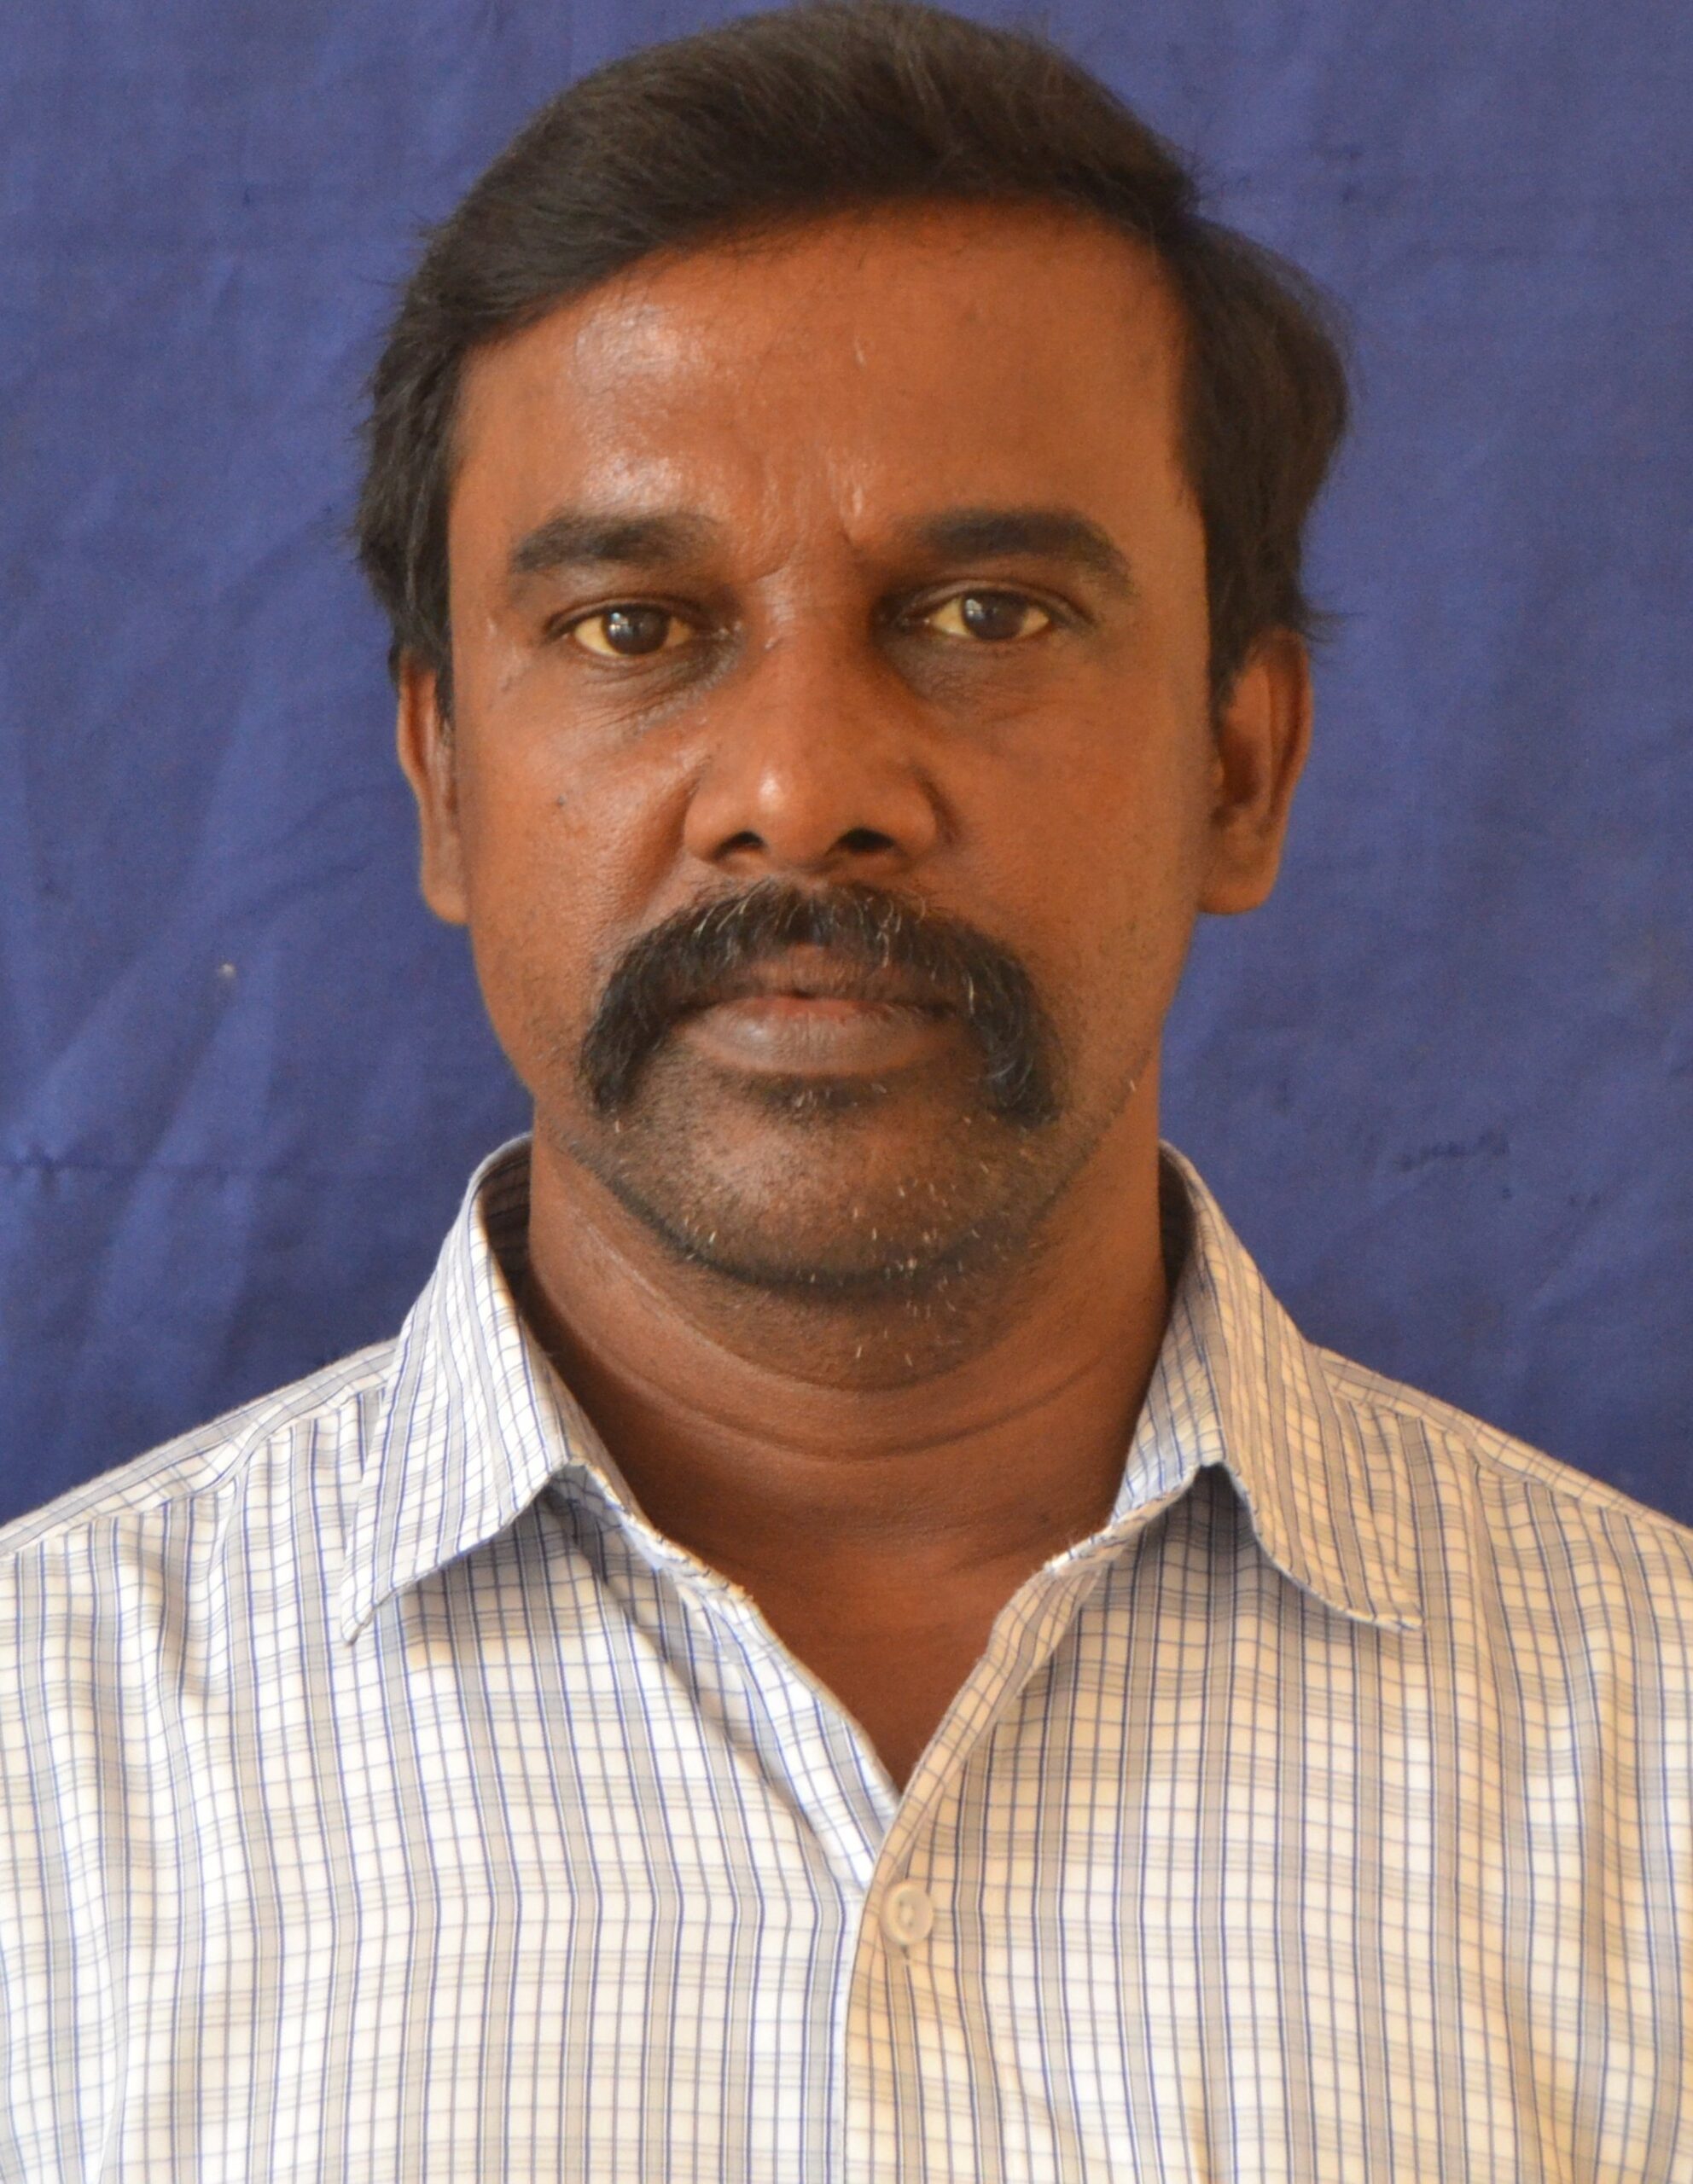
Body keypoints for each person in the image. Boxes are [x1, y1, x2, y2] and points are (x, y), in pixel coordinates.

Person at [3, 3, 1689, 2175]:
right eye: (635, 627)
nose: (801, 790)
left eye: (983, 614)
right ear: (443, 779)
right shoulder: (40, 1771)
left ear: (1237, 762)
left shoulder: (1654, 1763)